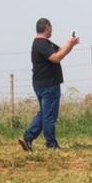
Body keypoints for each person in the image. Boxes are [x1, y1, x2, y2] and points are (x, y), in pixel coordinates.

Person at [20, 18, 79, 152]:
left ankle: (28, 137)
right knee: (49, 115)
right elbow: (56, 58)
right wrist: (70, 45)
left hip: (41, 83)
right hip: (48, 84)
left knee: (44, 113)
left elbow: (60, 52)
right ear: (47, 27)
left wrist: (70, 44)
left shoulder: (44, 43)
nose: (52, 29)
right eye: (51, 27)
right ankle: (51, 144)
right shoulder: (41, 44)